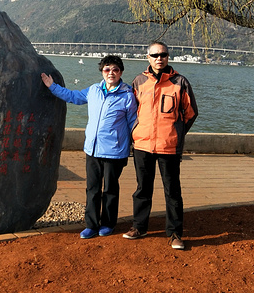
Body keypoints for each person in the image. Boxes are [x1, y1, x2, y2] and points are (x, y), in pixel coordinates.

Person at [41, 55, 137, 239]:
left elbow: (133, 123)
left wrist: (134, 147)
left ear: (121, 72)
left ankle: (108, 223)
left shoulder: (128, 95)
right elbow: (73, 96)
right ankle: (91, 225)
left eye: (115, 69)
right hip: (92, 150)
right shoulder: (94, 90)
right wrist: (52, 86)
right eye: (107, 69)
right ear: (102, 71)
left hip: (115, 152)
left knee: (110, 189)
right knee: (92, 188)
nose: (111, 73)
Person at [123, 41, 198, 250]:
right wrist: (135, 133)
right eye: (155, 55)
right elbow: (131, 111)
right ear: (148, 58)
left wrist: (176, 132)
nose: (159, 59)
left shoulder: (180, 82)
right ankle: (139, 226)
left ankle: (174, 233)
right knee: (142, 189)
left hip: (169, 146)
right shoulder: (138, 81)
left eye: (163, 55)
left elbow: (190, 113)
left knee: (172, 191)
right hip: (142, 145)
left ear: (168, 57)